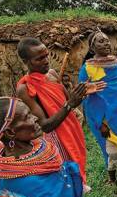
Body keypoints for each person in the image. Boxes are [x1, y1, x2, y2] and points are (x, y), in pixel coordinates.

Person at [16, 37, 90, 184]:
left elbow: (70, 102)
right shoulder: (25, 88)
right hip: (56, 139)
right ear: (26, 62)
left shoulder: (52, 74)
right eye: (39, 58)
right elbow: (45, 125)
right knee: (67, 178)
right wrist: (69, 104)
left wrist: (80, 94)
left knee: (76, 172)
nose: (46, 60)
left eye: (46, 55)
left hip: (71, 129)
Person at [80, 31, 117, 184]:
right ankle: (112, 174)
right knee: (109, 144)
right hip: (103, 115)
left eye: (107, 40)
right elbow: (82, 93)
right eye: (100, 41)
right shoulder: (88, 68)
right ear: (92, 48)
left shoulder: (115, 63)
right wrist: (101, 121)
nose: (106, 43)